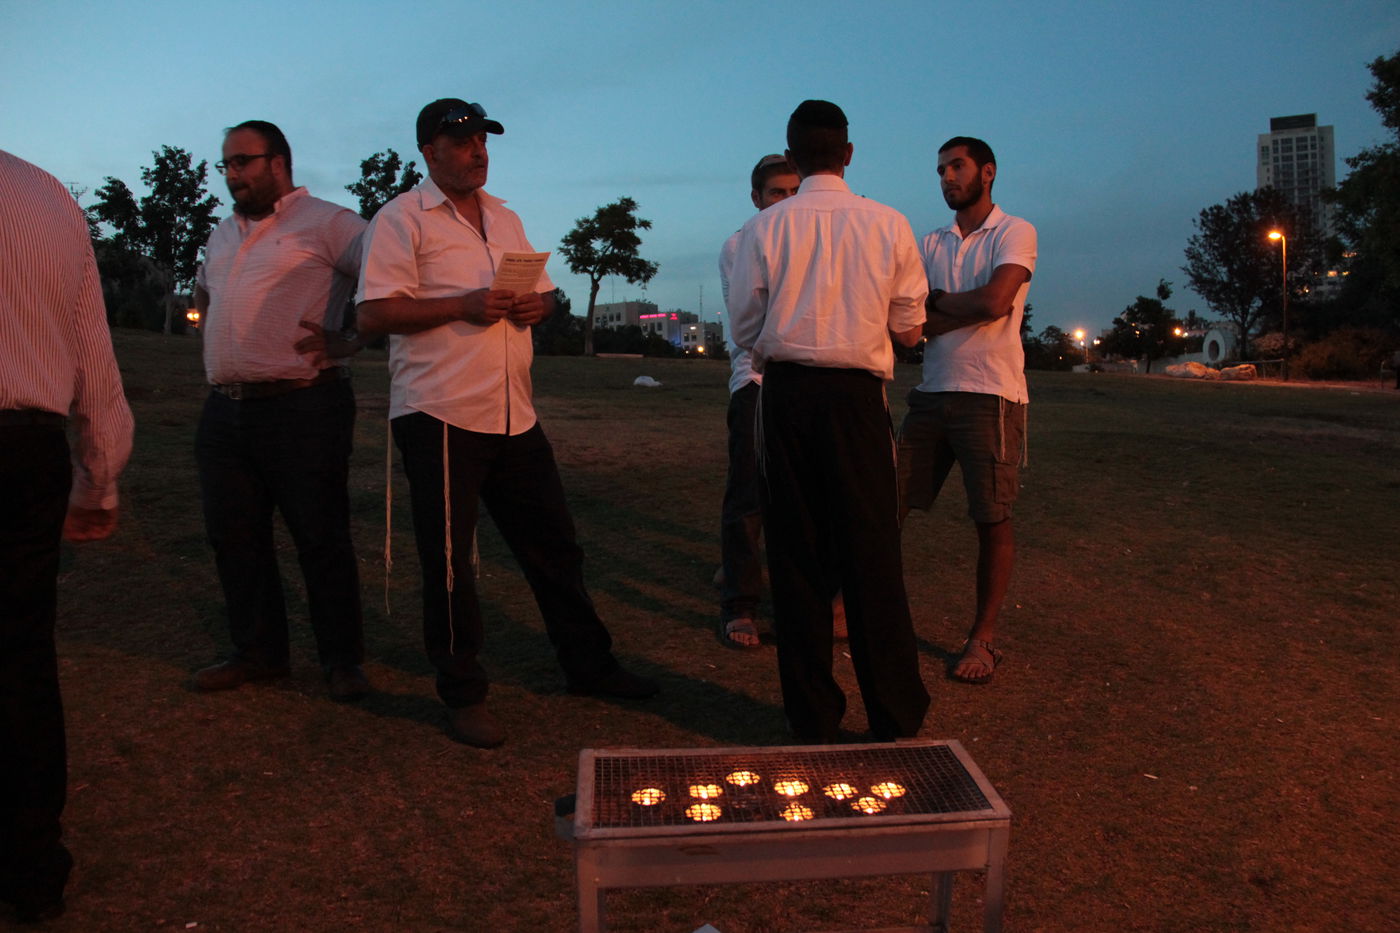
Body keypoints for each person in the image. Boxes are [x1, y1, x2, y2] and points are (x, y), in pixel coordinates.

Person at [355, 97, 658, 748]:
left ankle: (589, 665)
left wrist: (535, 304)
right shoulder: (400, 220)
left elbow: (545, 293)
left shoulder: (506, 218)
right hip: (439, 411)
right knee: (449, 562)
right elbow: (373, 314)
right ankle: (462, 690)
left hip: (512, 411)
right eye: (461, 141)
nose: (477, 151)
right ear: (429, 150)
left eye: (483, 140)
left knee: (555, 545)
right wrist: (460, 303)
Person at [727, 100, 930, 743]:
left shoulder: (762, 230)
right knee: (872, 552)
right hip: (857, 401)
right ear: (847, 153)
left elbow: (745, 328)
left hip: (785, 396)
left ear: (792, 154)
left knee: (796, 555)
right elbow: (908, 327)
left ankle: (812, 715)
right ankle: (894, 713)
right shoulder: (889, 224)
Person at [190, 120, 371, 701]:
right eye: (227, 164)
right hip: (225, 411)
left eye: (243, 161)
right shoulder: (222, 235)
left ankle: (342, 661)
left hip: (303, 406)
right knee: (234, 537)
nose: (233, 174)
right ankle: (260, 653)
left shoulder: (331, 223)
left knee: (320, 537)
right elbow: (204, 293)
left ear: (279, 162)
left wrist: (351, 339)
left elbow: (390, 278)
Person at [0, 149, 134, 923]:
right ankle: (31, 863)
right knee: (19, 654)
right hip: (25, 446)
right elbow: (91, 343)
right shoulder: (44, 193)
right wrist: (100, 473)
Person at [897, 136, 1037, 685]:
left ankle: (983, 639)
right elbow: (910, 322)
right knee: (891, 502)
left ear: (988, 171)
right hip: (932, 394)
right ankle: (846, 606)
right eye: (940, 171)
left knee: (992, 518)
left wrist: (938, 304)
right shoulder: (929, 241)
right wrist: (951, 308)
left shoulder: (1015, 231)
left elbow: (995, 302)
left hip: (991, 394)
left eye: (956, 167)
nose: (947, 178)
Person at [715, 154, 799, 648]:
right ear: (756, 199)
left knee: (801, 498)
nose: (786, 202)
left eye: (794, 191)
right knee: (747, 496)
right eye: (776, 194)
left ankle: (790, 593)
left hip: (803, 379)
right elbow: (752, 323)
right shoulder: (739, 244)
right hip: (757, 379)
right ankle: (740, 605)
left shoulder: (812, 237)